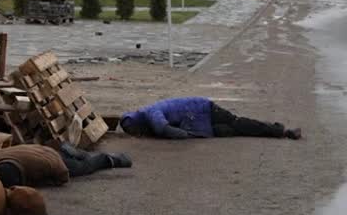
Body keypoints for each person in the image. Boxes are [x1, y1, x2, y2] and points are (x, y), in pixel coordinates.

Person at [120, 96, 302, 140]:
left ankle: (281, 131)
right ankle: (279, 132)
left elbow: (165, 128)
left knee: (239, 123)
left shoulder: (151, 111)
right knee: (238, 131)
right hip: (200, 126)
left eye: (133, 130)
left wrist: (183, 135)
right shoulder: (149, 119)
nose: (136, 134)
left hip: (205, 110)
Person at [0, 143, 132, 188]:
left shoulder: (41, 165)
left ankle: (111, 159)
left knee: (82, 168)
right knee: (70, 159)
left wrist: (52, 182)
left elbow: (62, 175)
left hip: (51, 158)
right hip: (39, 149)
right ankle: (70, 151)